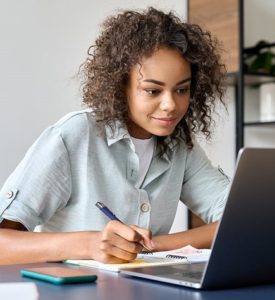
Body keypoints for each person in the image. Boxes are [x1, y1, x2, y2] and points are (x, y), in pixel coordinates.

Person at [0, 7, 229, 264]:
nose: (171, 105)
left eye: (181, 89)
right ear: (122, 87)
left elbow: (242, 218)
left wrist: (153, 245)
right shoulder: (74, 136)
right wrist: (90, 244)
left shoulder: (180, 147)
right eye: (153, 91)